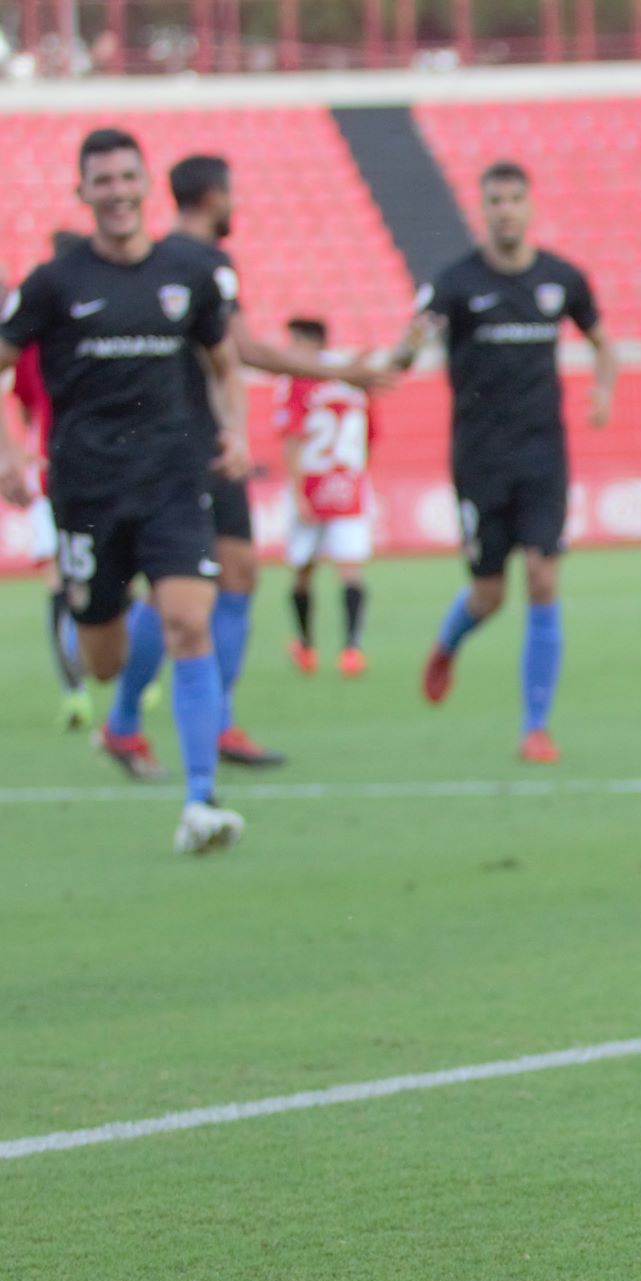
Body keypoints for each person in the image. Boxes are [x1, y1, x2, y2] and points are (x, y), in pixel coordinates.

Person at [97, 154, 397, 774]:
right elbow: (247, 350)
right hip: (181, 446)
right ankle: (135, 721)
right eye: (231, 194)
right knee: (185, 587)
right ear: (213, 197)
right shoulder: (202, 262)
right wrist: (345, 371)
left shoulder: (169, 258)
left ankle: (202, 722)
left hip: (202, 440)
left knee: (233, 576)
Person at [0, 128, 250, 853]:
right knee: (104, 659)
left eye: (125, 178)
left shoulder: (189, 274)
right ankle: (115, 701)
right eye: (100, 181)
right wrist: (12, 454)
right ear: (82, 194)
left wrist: (234, 432)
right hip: (87, 490)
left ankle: (201, 802)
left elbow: (223, 363)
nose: (115, 192)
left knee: (190, 624)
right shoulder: (54, 283)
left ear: (146, 187)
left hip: (174, 479)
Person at [391, 159, 615, 764]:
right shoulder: (457, 283)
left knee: (543, 576)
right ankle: (446, 644)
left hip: (544, 454)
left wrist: (604, 389)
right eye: (495, 200)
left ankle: (534, 727)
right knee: (489, 594)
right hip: (479, 459)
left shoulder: (562, 278)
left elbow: (601, 340)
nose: (506, 209)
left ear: (530, 204)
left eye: (515, 198)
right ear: (482, 208)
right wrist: (404, 348)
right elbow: (409, 343)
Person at [275, 317, 377, 676]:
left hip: (312, 485)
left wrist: (297, 492)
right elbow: (371, 435)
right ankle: (352, 649)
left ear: (308, 341)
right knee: (350, 570)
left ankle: (305, 646)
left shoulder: (297, 379)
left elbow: (291, 436)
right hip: (349, 484)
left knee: (303, 570)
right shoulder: (354, 378)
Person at [7, 320, 87, 730]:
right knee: (115, 574)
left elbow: (24, 404)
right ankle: (121, 681)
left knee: (61, 583)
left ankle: (76, 692)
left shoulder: (30, 347)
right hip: (86, 475)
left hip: (55, 471)